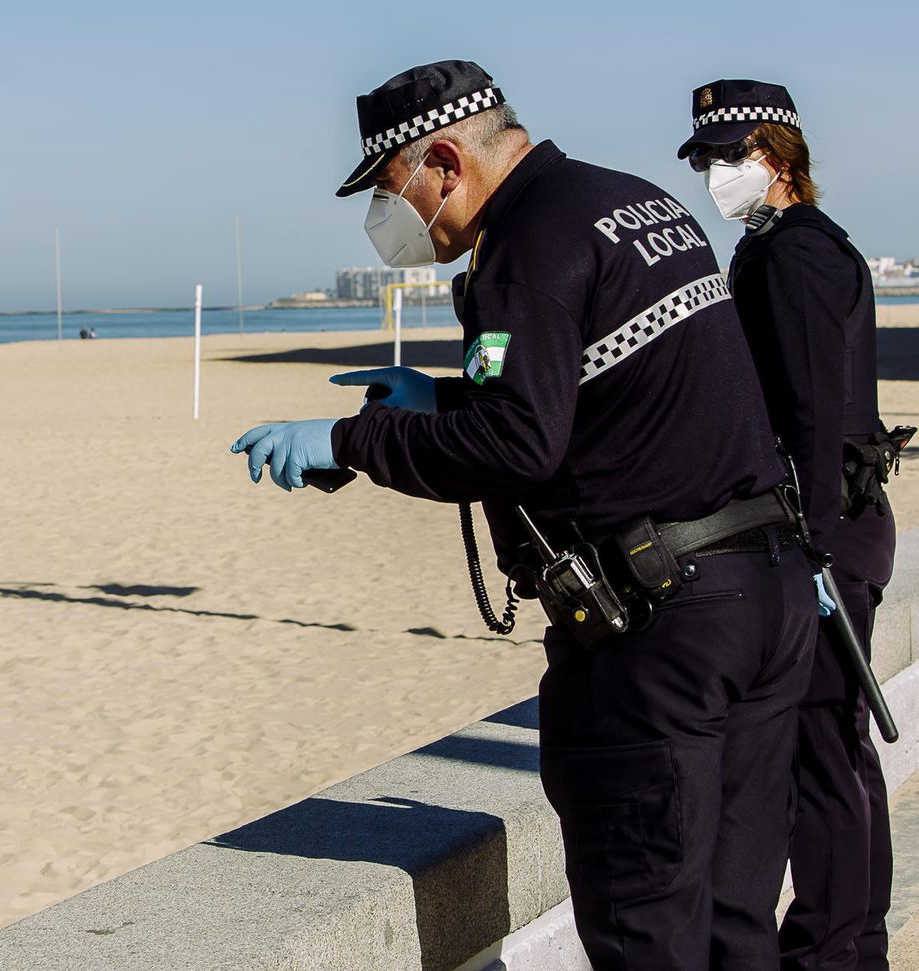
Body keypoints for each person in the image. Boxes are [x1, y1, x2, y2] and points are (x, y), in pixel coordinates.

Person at [230, 60, 817, 968]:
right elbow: (602, 395)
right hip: (764, 592)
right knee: (737, 922)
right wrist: (441, 398)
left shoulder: (527, 245)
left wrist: (353, 442)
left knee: (647, 928)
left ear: (444, 163)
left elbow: (518, 446)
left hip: (665, 627)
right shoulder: (634, 202)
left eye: (392, 190)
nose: (391, 219)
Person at [679, 79, 898, 971]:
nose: (714, 176)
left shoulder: (797, 255)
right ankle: (848, 939)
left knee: (825, 751)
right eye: (705, 162)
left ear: (774, 159)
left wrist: (806, 539)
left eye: (727, 159)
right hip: (826, 519)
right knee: (825, 747)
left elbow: (812, 409)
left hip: (829, 526)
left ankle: (839, 948)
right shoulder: (772, 249)